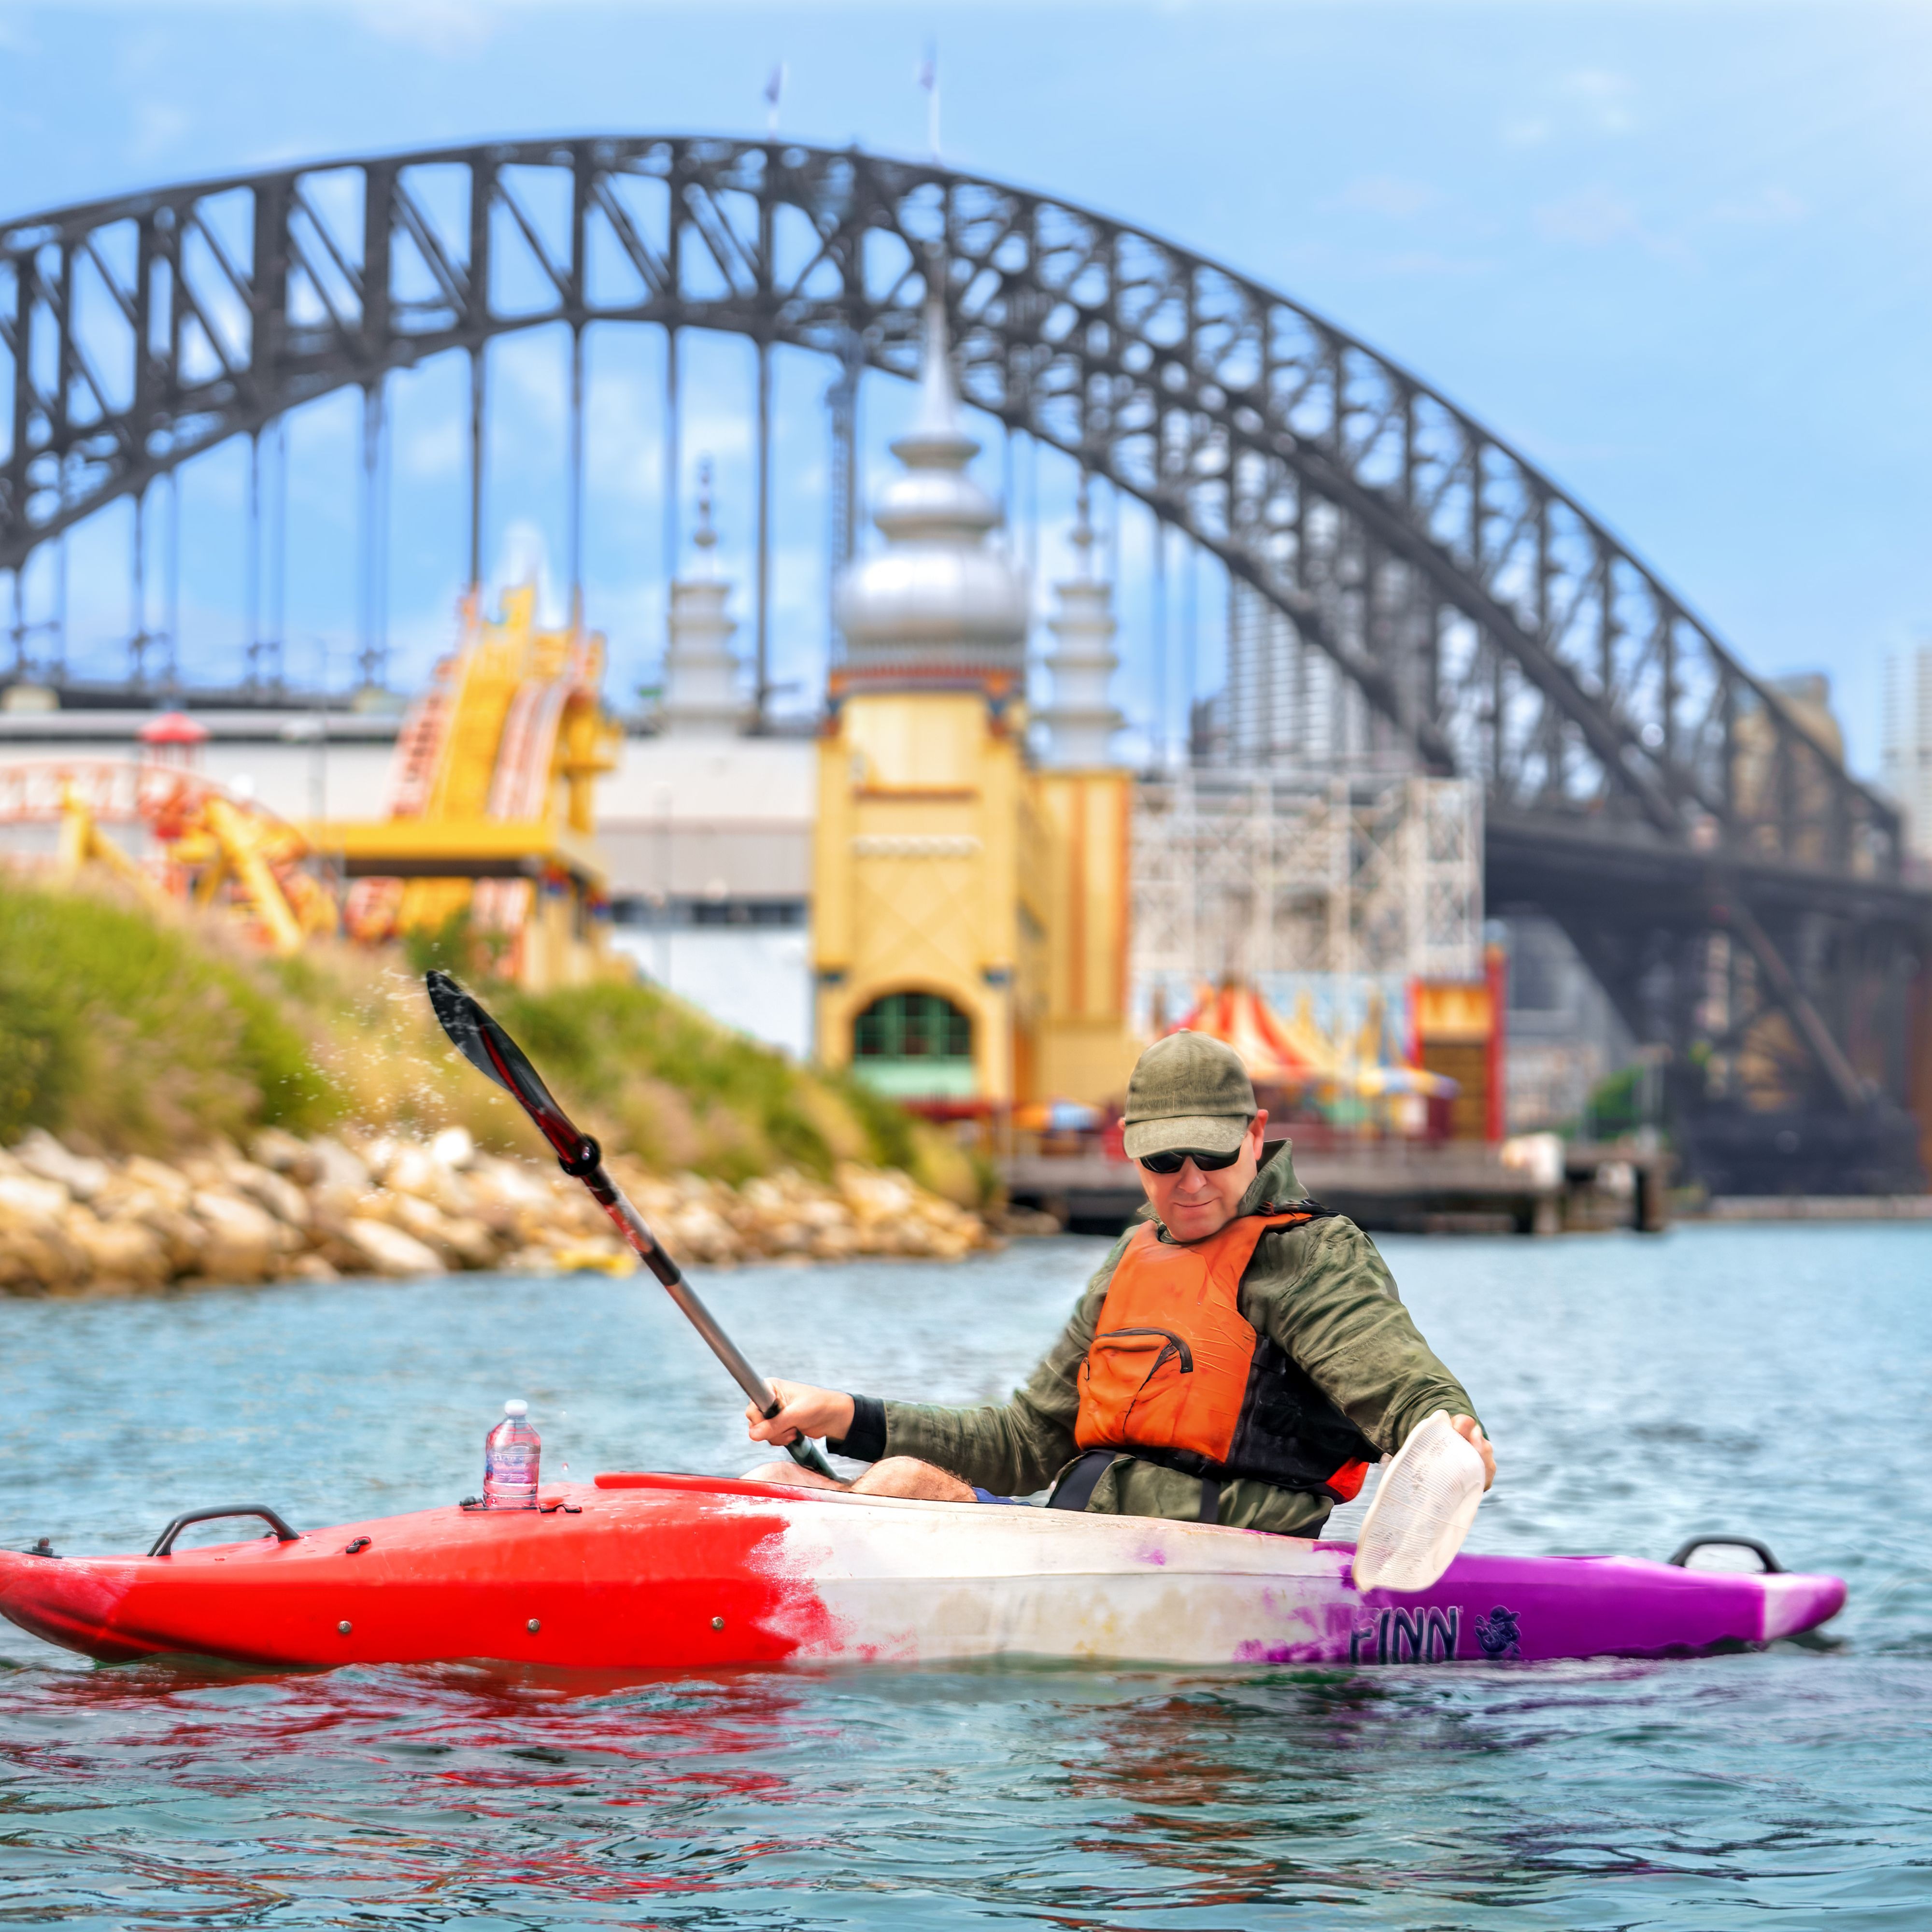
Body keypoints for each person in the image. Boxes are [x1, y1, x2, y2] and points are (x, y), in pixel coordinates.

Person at [746, 1031, 1494, 1534]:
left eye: (1213, 1154)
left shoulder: (1311, 1258)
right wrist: (842, 1414)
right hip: (1084, 1539)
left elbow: (1402, 1384)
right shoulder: (1134, 1254)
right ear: (1131, 1154)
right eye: (1166, 1162)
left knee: (902, 1487)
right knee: (780, 1482)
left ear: (1256, 1136)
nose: (1191, 1184)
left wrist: (1450, 1434)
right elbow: (1023, 1444)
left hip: (1229, 1564)